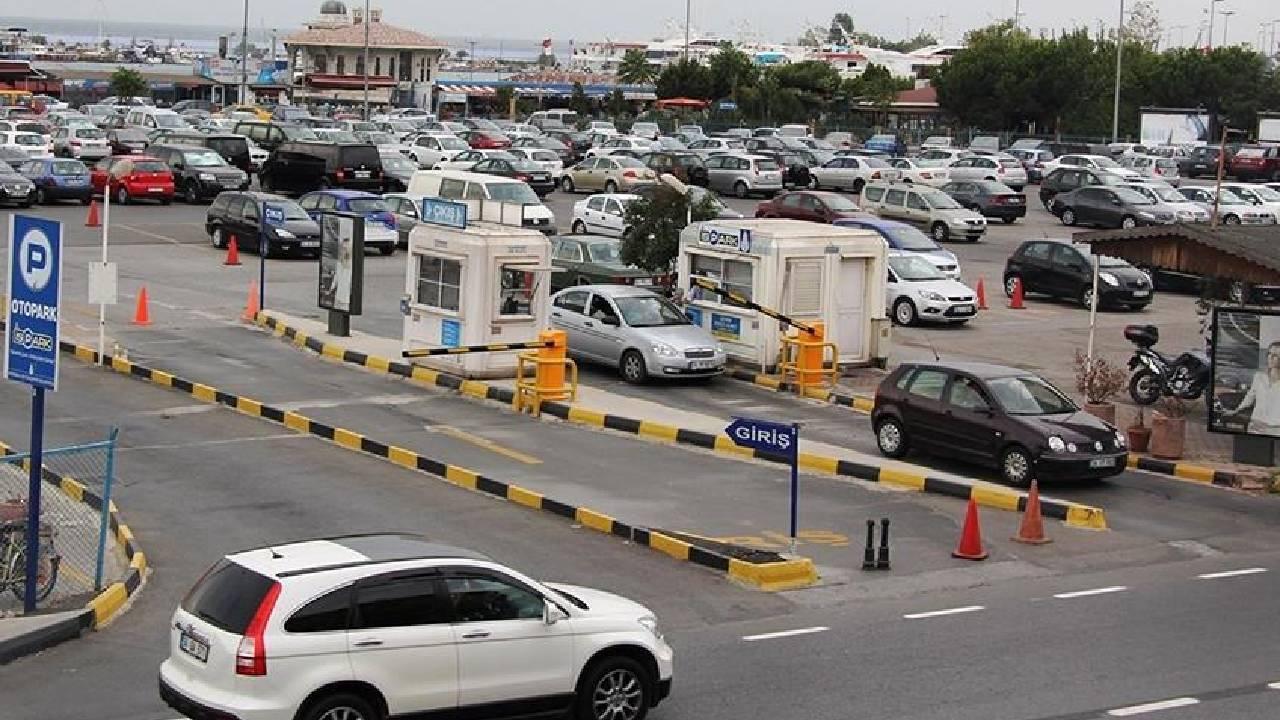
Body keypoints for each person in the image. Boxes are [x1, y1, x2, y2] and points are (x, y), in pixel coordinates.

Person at [1231, 340, 1280, 436]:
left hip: (1276, 427)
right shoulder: (1259, 377)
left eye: (1275, 355)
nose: (1270, 357)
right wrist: (1237, 410)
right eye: (1269, 354)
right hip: (1256, 424)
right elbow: (1250, 396)